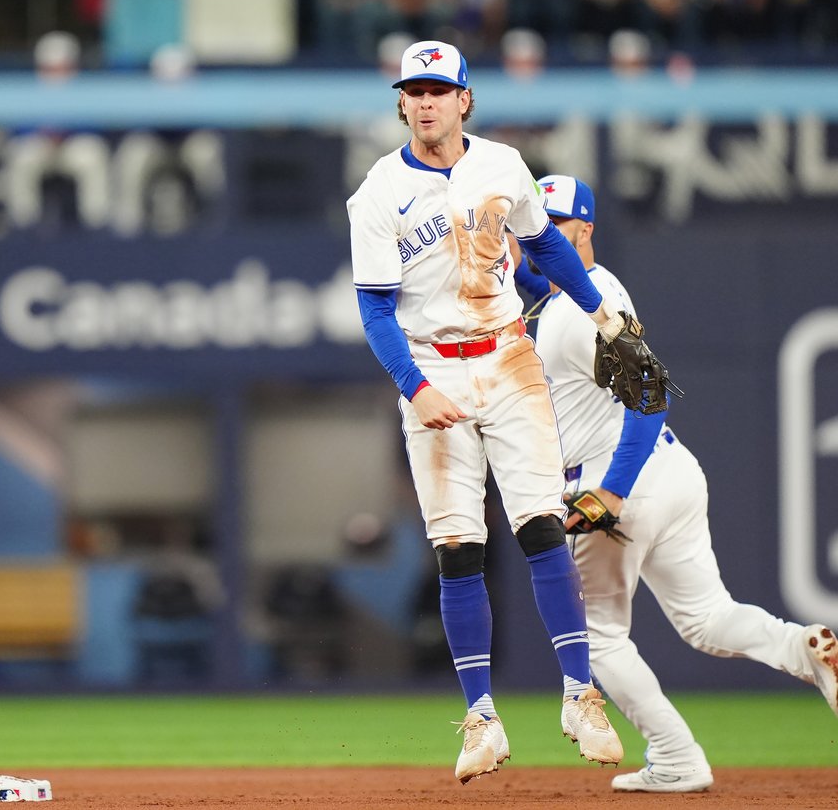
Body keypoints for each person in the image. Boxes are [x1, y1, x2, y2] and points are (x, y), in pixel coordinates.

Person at [345, 39, 630, 784]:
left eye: (441, 88)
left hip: (506, 356)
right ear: (402, 101)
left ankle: (579, 694)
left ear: (465, 99)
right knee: (457, 547)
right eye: (416, 89)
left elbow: (548, 250)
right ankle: (481, 717)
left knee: (542, 524)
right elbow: (375, 312)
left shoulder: (503, 165)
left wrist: (602, 314)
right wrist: (415, 386)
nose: (428, 100)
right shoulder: (377, 193)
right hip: (433, 364)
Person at [514, 174, 838, 793]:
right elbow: (544, 289)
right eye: (538, 227)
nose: (543, 238)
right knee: (708, 619)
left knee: (598, 639)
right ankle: (804, 649)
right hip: (674, 472)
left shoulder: (572, 317)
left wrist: (611, 491)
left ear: (585, 228)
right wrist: (512, 260)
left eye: (556, 225)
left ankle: (677, 757)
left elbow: (650, 399)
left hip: (617, 481)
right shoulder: (595, 289)